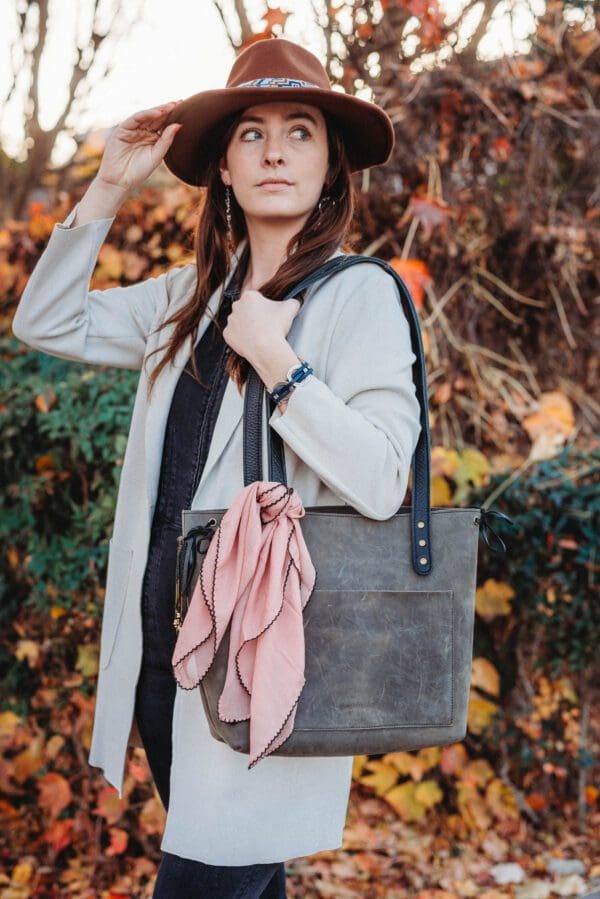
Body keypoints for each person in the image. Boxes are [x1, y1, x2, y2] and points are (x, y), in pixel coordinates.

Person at [12, 36, 422, 899]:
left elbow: (386, 478)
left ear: (331, 167)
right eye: (252, 133)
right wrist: (111, 183)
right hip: (168, 652)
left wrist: (285, 367)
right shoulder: (187, 296)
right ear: (225, 169)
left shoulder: (362, 295)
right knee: (241, 876)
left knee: (207, 879)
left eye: (301, 130)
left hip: (262, 655)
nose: (275, 150)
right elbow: (45, 322)